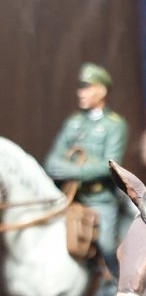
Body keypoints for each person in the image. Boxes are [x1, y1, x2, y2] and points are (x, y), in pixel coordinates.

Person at [44, 63, 128, 277]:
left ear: (102, 91)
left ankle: (116, 283)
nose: (80, 93)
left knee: (107, 245)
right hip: (71, 199)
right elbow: (52, 162)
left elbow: (109, 165)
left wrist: (75, 171)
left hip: (100, 199)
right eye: (81, 88)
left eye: (87, 88)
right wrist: (68, 169)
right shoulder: (73, 122)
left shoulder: (114, 125)